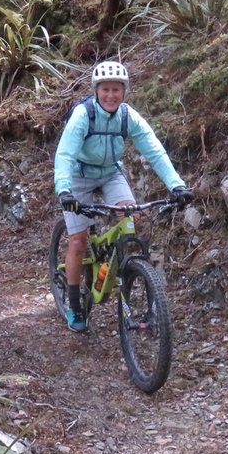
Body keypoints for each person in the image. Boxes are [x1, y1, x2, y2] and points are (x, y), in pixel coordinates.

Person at [53, 61, 193, 332]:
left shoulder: (128, 117)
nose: (110, 95)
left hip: (109, 173)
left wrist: (177, 186)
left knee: (132, 220)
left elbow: (155, 151)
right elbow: (65, 154)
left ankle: (123, 269)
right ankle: (75, 305)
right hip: (79, 175)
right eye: (105, 89)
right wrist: (64, 190)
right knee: (79, 242)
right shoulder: (84, 115)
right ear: (96, 90)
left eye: (116, 90)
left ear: (124, 91)